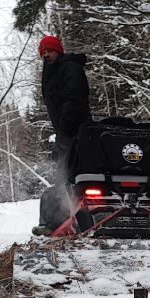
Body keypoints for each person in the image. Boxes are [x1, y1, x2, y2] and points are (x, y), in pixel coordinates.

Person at [33, 34, 92, 236]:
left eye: (49, 51)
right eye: (43, 53)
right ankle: (59, 222)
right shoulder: (53, 70)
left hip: (76, 132)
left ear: (58, 50)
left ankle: (58, 223)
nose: (46, 55)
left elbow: (73, 98)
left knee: (67, 177)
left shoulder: (70, 68)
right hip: (66, 133)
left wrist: (65, 127)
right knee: (65, 179)